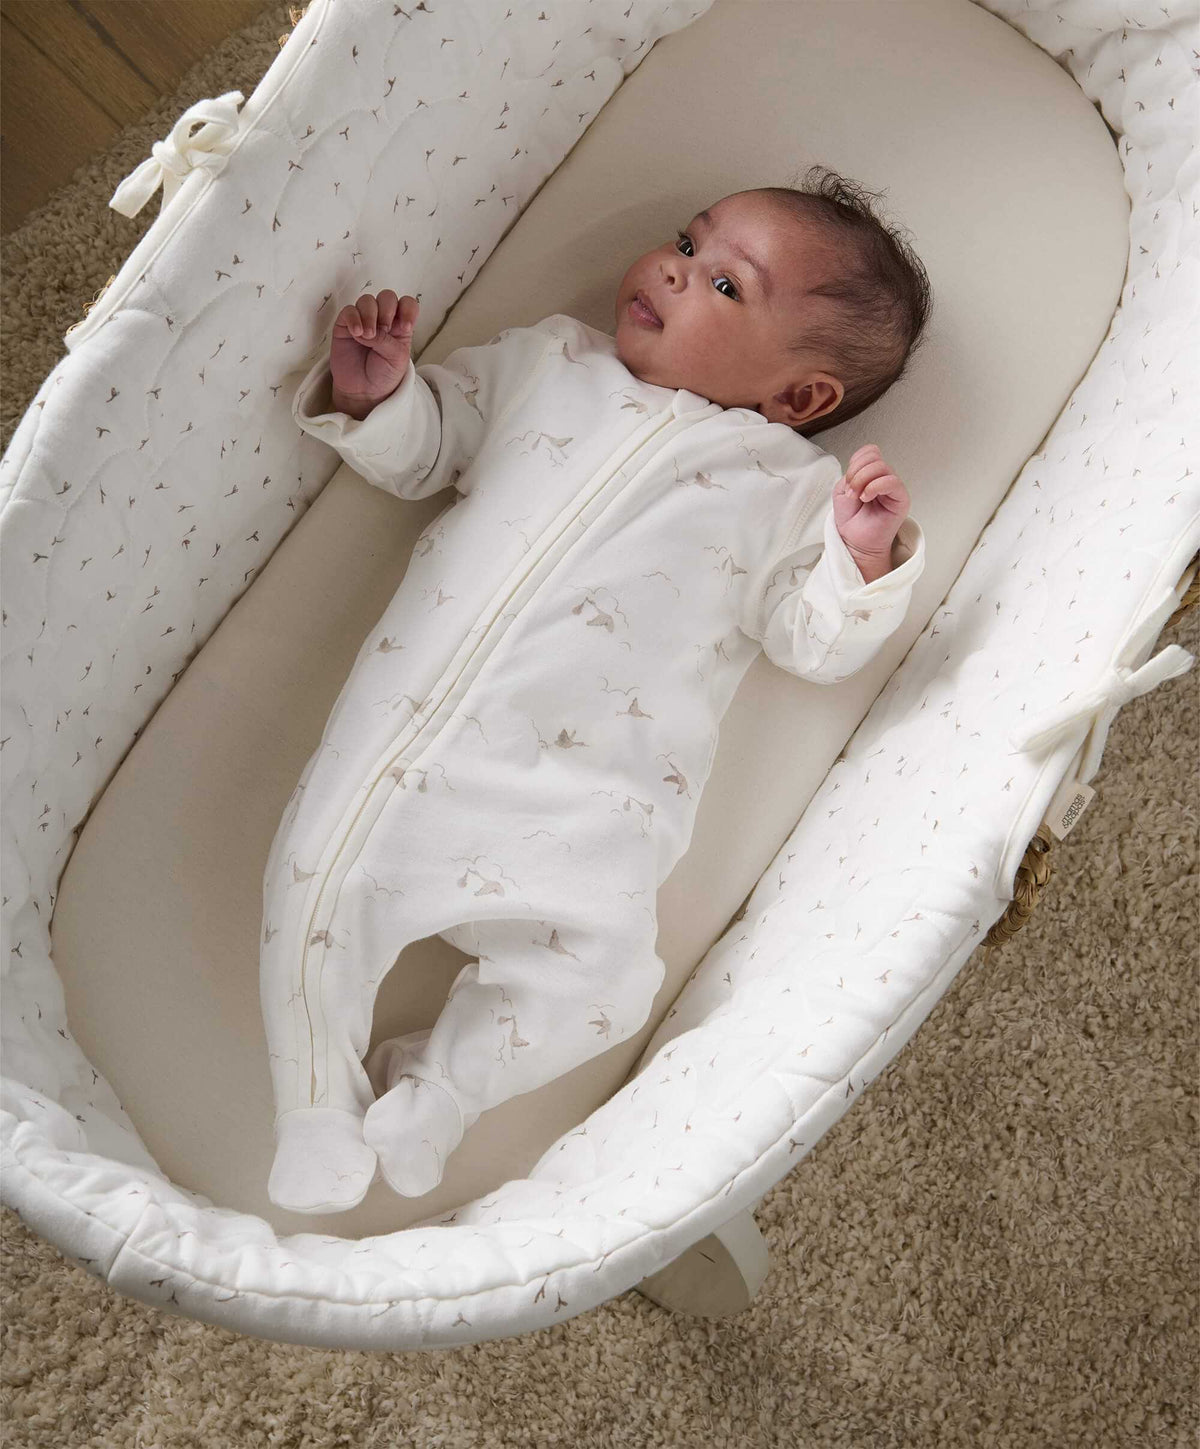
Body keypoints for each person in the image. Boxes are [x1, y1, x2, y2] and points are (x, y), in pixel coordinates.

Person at [262, 170, 932, 1213]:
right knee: (317, 890)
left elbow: (814, 641)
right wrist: (380, 395)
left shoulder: (788, 492)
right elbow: (432, 450)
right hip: (418, 750)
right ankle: (313, 1100)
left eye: (725, 285)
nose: (674, 270)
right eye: (686, 242)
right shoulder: (549, 364)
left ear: (800, 399)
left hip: (588, 810)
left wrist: (861, 557)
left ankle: (441, 1088)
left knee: (605, 981)